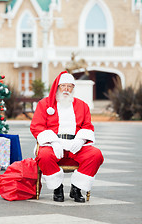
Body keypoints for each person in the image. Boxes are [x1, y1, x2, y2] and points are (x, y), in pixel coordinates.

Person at [30, 71, 104, 203]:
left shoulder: (82, 105)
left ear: (73, 88)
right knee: (44, 155)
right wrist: (53, 141)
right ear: (57, 87)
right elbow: (37, 126)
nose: (66, 89)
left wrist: (80, 140)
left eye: (69, 86)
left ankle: (77, 188)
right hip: (53, 144)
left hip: (75, 144)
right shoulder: (45, 104)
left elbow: (87, 126)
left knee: (96, 155)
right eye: (63, 86)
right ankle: (57, 187)